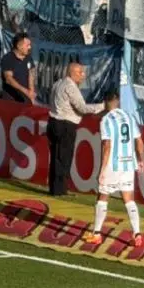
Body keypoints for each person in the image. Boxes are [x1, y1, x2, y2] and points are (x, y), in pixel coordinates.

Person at [83, 90, 144, 246]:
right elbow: (139, 141)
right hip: (128, 164)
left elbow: (107, 146)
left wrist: (102, 170)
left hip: (113, 165)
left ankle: (97, 234)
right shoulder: (129, 117)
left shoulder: (106, 120)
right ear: (118, 101)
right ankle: (137, 234)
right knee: (129, 199)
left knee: (102, 197)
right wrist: (141, 160)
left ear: (105, 102)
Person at [47, 62, 103, 196]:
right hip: (65, 124)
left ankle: (55, 188)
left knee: (56, 156)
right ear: (72, 73)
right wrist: (102, 106)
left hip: (54, 122)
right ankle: (59, 190)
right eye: (80, 72)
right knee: (63, 157)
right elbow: (82, 108)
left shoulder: (58, 84)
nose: (83, 75)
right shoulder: (70, 87)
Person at [0, 32, 36, 104]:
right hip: (10, 100)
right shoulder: (8, 59)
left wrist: (31, 92)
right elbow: (8, 79)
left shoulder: (28, 58)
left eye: (30, 45)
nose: (29, 47)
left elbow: (31, 75)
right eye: (27, 45)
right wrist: (26, 91)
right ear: (19, 46)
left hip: (26, 99)